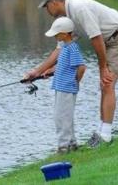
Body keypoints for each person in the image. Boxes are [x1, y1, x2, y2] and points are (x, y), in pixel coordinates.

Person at [24, 0, 118, 148]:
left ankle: (105, 135)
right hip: (107, 40)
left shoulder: (79, 9)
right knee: (104, 85)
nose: (46, 10)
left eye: (46, 6)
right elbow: (59, 50)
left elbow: (96, 38)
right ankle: (102, 132)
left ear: (54, 3)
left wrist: (102, 67)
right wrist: (36, 72)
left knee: (107, 83)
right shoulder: (66, 22)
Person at [43, 16, 86, 154]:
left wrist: (75, 81)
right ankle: (72, 144)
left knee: (62, 117)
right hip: (60, 87)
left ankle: (63, 147)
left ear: (65, 33)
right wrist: (49, 71)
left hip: (67, 88)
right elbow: (62, 67)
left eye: (57, 33)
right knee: (62, 116)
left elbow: (81, 67)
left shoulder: (72, 48)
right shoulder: (64, 47)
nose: (55, 35)